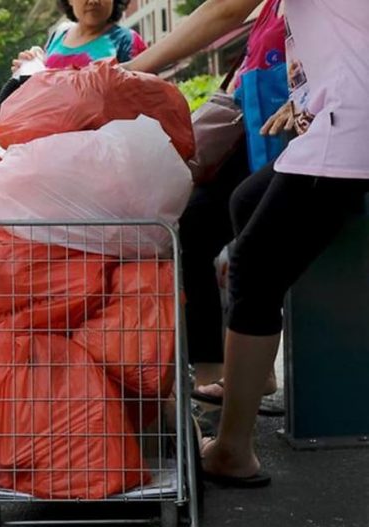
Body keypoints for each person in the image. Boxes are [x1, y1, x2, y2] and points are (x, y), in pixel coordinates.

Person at [125, 0, 369, 485]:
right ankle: (256, 372)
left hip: (350, 131)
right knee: (245, 200)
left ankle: (233, 449)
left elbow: (224, 8)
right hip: (338, 117)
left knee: (255, 264)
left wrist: (128, 71)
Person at [179, 0, 287, 407]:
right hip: (258, 133)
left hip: (296, 136)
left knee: (254, 254)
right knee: (213, 235)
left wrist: (134, 67)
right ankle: (232, 373)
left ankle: (241, 382)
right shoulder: (270, 10)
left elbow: (221, 10)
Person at [11, 0, 146, 74]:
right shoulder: (59, 35)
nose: (93, 1)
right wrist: (27, 68)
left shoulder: (127, 40)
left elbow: (144, 95)